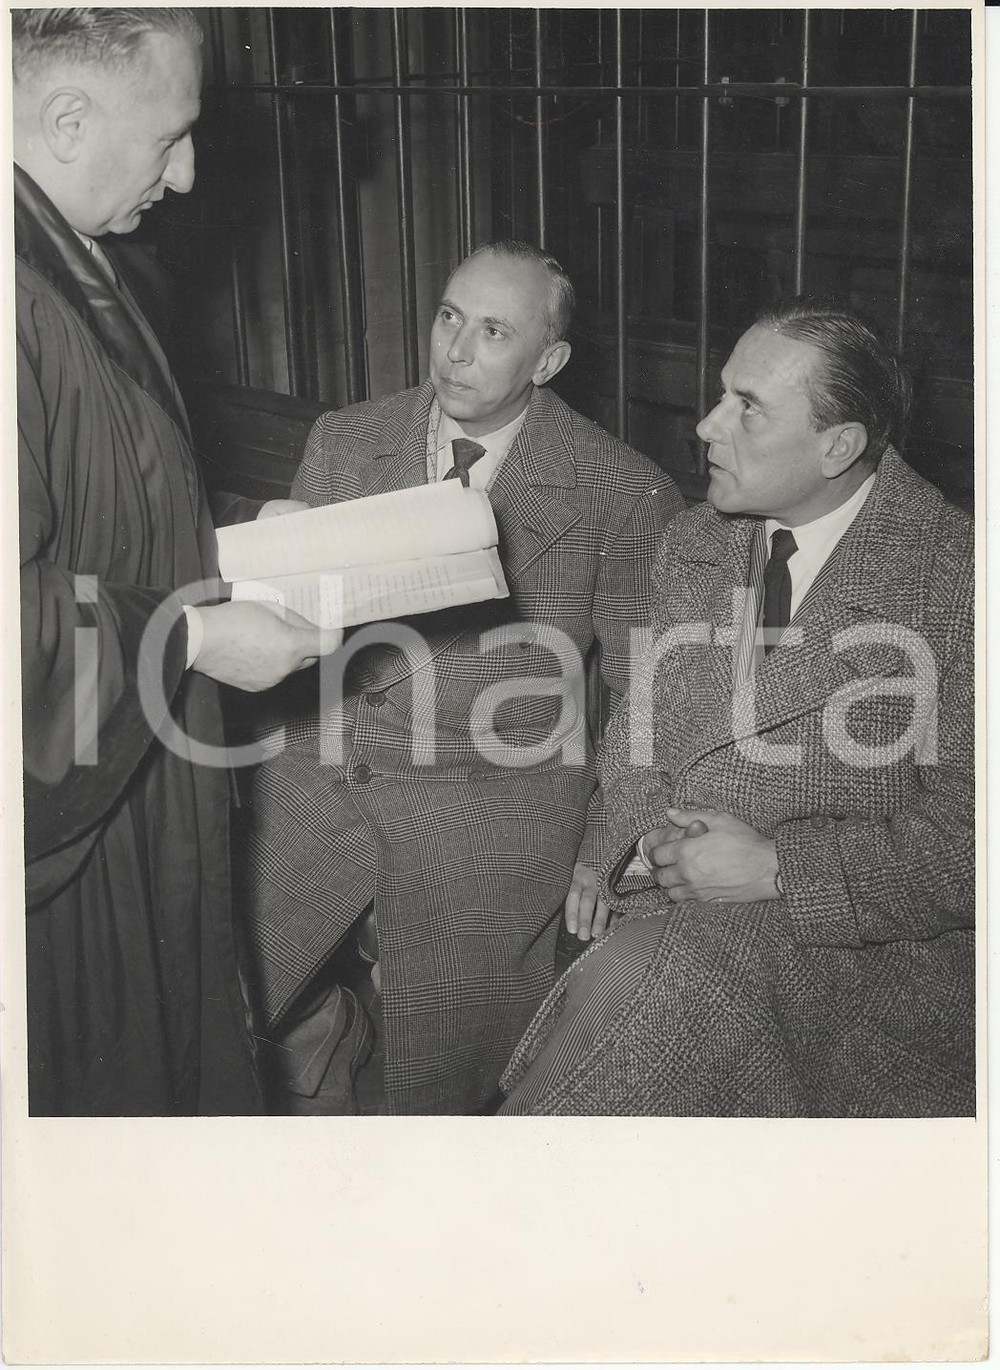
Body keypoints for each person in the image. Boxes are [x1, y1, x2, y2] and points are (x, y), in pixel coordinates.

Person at [499, 298, 975, 1117]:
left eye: (747, 407)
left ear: (838, 446)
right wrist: (610, 852)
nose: (707, 425)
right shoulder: (696, 540)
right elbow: (639, 738)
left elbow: (978, 843)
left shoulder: (960, 578)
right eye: (722, 393)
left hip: (862, 959)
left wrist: (780, 869)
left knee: (639, 1001)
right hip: (676, 907)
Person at [244, 241, 685, 1115]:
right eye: (450, 317)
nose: (456, 349)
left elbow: (647, 703)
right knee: (233, 991)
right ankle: (318, 1051)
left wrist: (604, 850)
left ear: (548, 361)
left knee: (448, 1082)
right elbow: (282, 635)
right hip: (330, 756)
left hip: (497, 790)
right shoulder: (347, 441)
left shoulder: (622, 491)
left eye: (493, 331)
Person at [15, 7, 337, 1115]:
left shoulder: (73, 258)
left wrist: (245, 529)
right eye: (170, 137)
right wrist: (192, 631)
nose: (191, 174)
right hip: (68, 869)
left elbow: (102, 505)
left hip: (133, 791)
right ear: (66, 118)